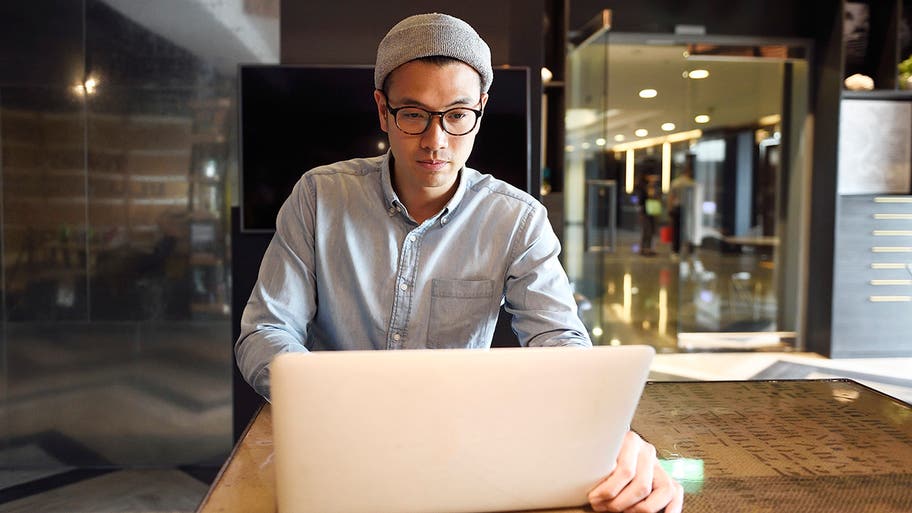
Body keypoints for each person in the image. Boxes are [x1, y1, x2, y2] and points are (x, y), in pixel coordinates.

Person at [236, 13, 682, 513]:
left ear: (480, 109)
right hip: (334, 442)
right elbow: (265, 331)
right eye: (413, 114)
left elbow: (560, 341)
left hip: (458, 452)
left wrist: (608, 434)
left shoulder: (517, 219)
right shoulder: (319, 196)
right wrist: (330, 404)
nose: (436, 141)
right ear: (382, 110)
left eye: (457, 114)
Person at [667, 163, 695, 256]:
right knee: (689, 230)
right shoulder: (691, 183)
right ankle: (690, 250)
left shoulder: (675, 183)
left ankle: (676, 250)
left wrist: (670, 209)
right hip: (688, 209)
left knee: (676, 230)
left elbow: (671, 197)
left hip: (677, 208)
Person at [635, 174, 661, 256]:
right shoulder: (643, 188)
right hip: (645, 212)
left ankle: (649, 248)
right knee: (646, 230)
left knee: (652, 231)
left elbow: (657, 198)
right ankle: (644, 248)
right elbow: (642, 200)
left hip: (652, 212)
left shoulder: (656, 188)